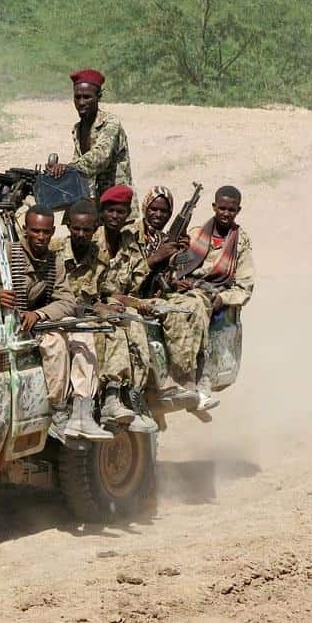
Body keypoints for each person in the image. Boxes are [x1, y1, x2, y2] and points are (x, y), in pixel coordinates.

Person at [0, 205, 112, 441]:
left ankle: (82, 410)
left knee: (82, 329)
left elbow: (68, 301)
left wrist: (39, 314)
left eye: (46, 232)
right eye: (35, 231)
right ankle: (59, 412)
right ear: (25, 230)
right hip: (8, 327)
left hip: (37, 324)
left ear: (52, 232)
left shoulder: (54, 262)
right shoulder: (6, 254)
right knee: (56, 342)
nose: (41, 237)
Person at [67, 189, 158, 432]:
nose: (115, 216)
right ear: (101, 214)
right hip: (79, 313)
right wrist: (104, 303)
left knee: (134, 322)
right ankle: (112, 396)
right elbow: (84, 290)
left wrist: (128, 302)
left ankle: (132, 395)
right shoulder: (89, 240)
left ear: (128, 214)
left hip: (104, 304)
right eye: (110, 211)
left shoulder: (128, 240)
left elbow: (128, 280)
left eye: (121, 212)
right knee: (114, 325)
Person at [137, 187, 217, 409]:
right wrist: (157, 257)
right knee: (175, 313)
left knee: (195, 304)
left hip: (159, 292)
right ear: (145, 208)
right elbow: (132, 271)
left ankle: (198, 374)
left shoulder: (164, 237)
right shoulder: (134, 235)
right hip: (134, 294)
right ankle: (179, 379)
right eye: (153, 209)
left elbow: (168, 274)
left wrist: (178, 257)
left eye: (164, 211)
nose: (158, 215)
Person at [174, 185, 255, 398]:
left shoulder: (240, 243)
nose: (226, 214)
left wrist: (222, 298)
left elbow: (244, 286)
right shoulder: (195, 234)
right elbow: (177, 265)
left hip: (214, 294)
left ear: (238, 210)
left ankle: (199, 377)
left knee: (198, 308)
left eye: (231, 210)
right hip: (186, 289)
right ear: (214, 207)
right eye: (222, 208)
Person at [47, 69, 132, 202]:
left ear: (98, 97)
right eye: (77, 97)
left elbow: (100, 157)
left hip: (116, 207)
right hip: (91, 203)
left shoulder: (110, 123)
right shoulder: (77, 129)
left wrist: (68, 168)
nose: (81, 102)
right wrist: (55, 173)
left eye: (87, 97)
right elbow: (80, 169)